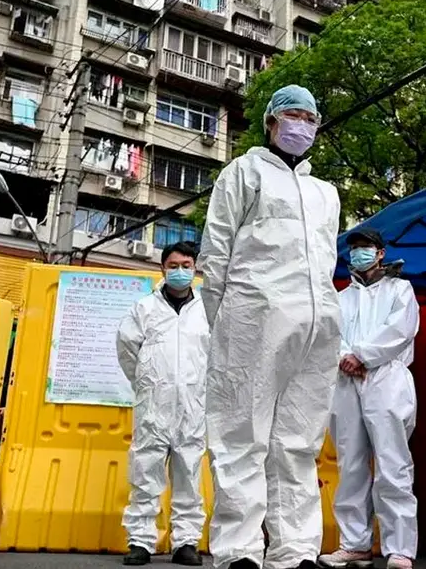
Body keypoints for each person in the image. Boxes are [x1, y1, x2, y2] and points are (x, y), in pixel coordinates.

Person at [199, 84, 342, 569]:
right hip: (252, 314)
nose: (302, 125)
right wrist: (221, 320)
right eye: (294, 115)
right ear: (272, 121)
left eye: (311, 117)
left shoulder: (326, 192)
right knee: (242, 434)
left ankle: (296, 549)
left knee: (298, 441)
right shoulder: (244, 172)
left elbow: (326, 259)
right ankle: (239, 549)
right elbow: (215, 250)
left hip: (317, 322)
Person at [319, 228, 419, 569]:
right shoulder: (341, 297)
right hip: (346, 381)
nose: (359, 253)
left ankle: (400, 547)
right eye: (354, 248)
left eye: (366, 247)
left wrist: (361, 355)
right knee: (350, 464)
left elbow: (400, 330)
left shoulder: (400, 289)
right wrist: (347, 357)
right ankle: (354, 544)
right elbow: (330, 335)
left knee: (393, 463)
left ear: (381, 252)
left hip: (386, 378)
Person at [116, 241, 209, 567]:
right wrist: (145, 384)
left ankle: (185, 542)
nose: (180, 271)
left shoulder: (208, 310)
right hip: (153, 405)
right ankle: (140, 541)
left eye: (186, 265)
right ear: (162, 269)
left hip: (193, 407)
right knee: (145, 472)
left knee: (189, 474)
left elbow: (217, 359)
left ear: (195, 268)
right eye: (173, 265)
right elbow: (127, 351)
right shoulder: (144, 309)